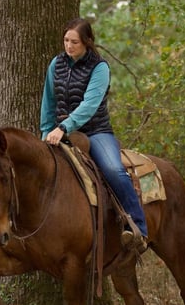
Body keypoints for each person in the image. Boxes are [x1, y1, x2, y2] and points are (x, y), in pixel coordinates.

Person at [40, 17, 148, 253]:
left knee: (113, 170)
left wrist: (64, 127)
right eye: (66, 40)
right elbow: (48, 101)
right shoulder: (55, 64)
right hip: (60, 132)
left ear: (87, 42)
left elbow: (89, 106)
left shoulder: (100, 68)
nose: (69, 46)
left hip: (95, 132)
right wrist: (45, 132)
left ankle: (138, 228)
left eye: (75, 42)